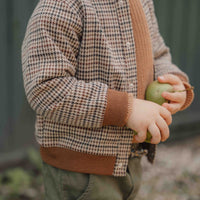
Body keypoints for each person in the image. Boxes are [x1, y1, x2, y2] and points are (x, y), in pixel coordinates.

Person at [21, 0, 194, 199]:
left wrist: (175, 84)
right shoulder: (62, 5)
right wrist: (126, 110)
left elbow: (158, 54)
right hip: (80, 171)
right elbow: (46, 89)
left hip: (128, 159)